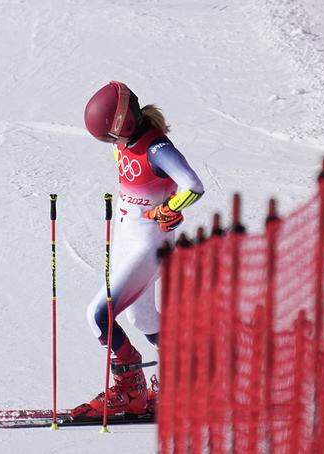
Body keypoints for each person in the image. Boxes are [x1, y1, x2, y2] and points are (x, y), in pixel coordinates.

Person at [72, 81, 205, 417]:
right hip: (126, 237)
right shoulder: (125, 141)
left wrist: (171, 207)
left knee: (99, 316)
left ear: (123, 125)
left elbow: (193, 185)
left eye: (108, 137)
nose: (108, 144)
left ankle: (130, 390)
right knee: (141, 318)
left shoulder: (157, 149)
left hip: (147, 246)